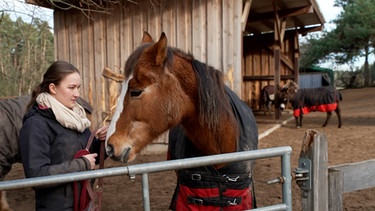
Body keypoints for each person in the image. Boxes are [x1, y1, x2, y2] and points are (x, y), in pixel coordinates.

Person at [19, 61, 108, 211]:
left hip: (83, 204)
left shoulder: (76, 118)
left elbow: (89, 155)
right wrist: (82, 165)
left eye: (78, 87)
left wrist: (102, 142)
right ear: (53, 88)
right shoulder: (35, 124)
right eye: (71, 88)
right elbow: (36, 175)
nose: (77, 94)